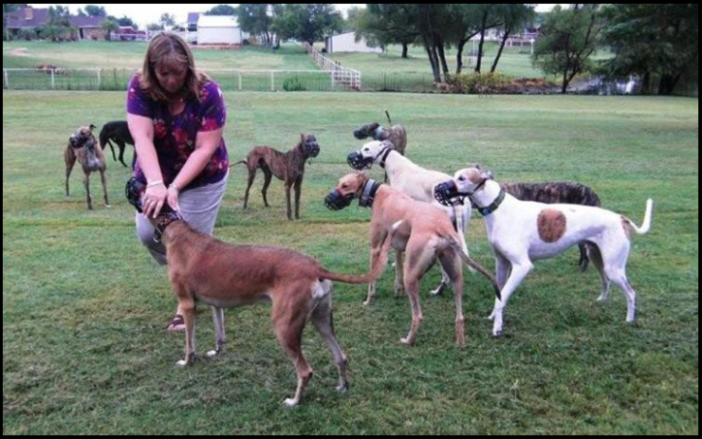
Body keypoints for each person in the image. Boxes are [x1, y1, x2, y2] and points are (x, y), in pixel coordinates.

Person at [127, 32, 229, 332]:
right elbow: (142, 137)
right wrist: (157, 183)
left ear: (188, 66)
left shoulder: (208, 92)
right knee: (148, 233)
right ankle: (197, 276)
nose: (171, 80)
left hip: (202, 176)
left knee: (193, 242)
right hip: (154, 173)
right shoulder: (139, 88)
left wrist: (174, 187)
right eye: (163, 73)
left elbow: (205, 148)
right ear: (152, 68)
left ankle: (187, 301)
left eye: (178, 72)